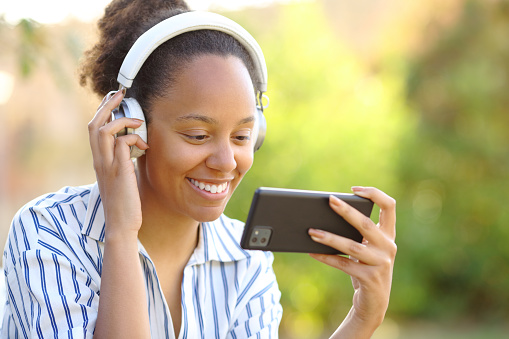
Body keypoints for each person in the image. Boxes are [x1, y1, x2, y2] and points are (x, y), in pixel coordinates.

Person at [1, 0, 397, 338]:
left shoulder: (247, 261)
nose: (226, 163)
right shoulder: (49, 235)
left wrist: (362, 320)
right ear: (130, 124)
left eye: (242, 137)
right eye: (196, 135)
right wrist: (121, 233)